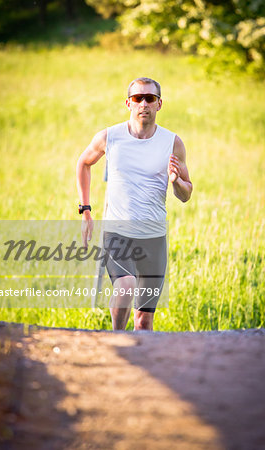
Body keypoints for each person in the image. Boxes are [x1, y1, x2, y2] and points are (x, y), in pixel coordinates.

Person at [76, 77, 192, 331]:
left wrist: (175, 183)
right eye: (138, 98)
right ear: (128, 102)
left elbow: (186, 193)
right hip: (118, 233)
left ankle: (142, 360)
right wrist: (85, 210)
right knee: (125, 285)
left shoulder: (173, 143)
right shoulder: (110, 137)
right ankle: (116, 338)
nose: (143, 103)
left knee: (144, 319)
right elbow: (84, 163)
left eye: (150, 98)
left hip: (154, 238)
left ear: (159, 104)